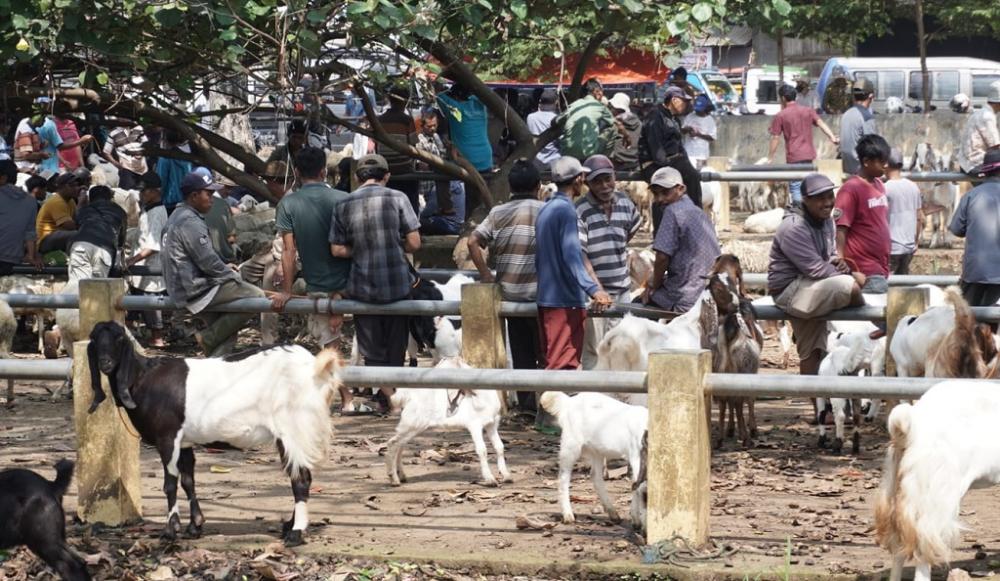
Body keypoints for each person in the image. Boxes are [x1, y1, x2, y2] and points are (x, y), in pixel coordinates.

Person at [269, 147, 358, 411]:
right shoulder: (345, 199)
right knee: (351, 341)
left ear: (296, 172)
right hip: (355, 281)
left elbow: (288, 251)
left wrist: (287, 291)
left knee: (330, 344)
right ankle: (360, 394)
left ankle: (347, 398)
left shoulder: (288, 204)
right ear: (323, 171)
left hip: (320, 285)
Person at [330, 154, 421, 412]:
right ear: (387, 176)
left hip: (363, 286)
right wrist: (393, 246)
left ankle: (387, 399)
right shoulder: (399, 198)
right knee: (396, 346)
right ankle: (392, 399)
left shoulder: (343, 204)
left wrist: (361, 248)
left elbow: (337, 249)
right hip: (397, 285)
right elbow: (414, 243)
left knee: (372, 350)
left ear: (357, 177)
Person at [768, 173, 865, 378]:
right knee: (852, 287)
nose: (828, 203)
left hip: (812, 285)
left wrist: (839, 263)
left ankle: (816, 400)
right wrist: (849, 275)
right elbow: (815, 269)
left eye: (830, 196)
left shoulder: (826, 220)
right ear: (806, 200)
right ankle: (868, 319)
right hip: (791, 290)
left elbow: (828, 256)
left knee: (814, 351)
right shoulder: (794, 227)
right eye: (820, 198)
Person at [468, 159, 545, 411]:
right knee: (545, 353)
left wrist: (485, 274)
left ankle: (526, 407)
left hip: (510, 296)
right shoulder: (546, 211)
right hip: (541, 295)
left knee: (522, 354)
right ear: (538, 186)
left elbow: (472, 241)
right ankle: (546, 408)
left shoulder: (497, 213)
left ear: (510, 187)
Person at [161, 171, 265, 356]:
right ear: (194, 196)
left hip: (183, 286)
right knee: (257, 297)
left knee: (227, 336)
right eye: (208, 194)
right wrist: (231, 274)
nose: (212, 199)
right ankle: (207, 338)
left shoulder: (177, 215)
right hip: (196, 288)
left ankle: (214, 360)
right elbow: (207, 261)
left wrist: (224, 268)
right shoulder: (190, 221)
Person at [534, 156, 612, 371]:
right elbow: (572, 256)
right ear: (578, 179)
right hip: (564, 299)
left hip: (548, 297)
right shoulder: (567, 211)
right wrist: (594, 290)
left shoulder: (546, 208)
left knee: (552, 360)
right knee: (562, 365)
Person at [576, 155, 640, 369]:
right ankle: (593, 388)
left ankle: (618, 387)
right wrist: (597, 289)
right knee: (595, 349)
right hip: (595, 295)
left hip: (622, 290)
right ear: (587, 183)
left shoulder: (626, 204)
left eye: (608, 179)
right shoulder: (580, 210)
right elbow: (581, 254)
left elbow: (629, 231)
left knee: (621, 346)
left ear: (615, 177)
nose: (604, 186)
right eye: (597, 181)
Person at [642, 167, 720, 313]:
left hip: (685, 294)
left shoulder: (672, 211)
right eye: (656, 194)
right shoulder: (699, 212)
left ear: (680, 189)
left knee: (637, 308)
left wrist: (653, 285)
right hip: (708, 291)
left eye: (665, 193)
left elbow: (662, 258)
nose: (660, 199)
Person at [640, 85, 703, 235]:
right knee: (664, 190)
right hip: (655, 164)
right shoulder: (655, 117)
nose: (686, 104)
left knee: (693, 177)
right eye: (684, 101)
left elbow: (680, 147)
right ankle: (661, 234)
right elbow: (656, 148)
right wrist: (668, 170)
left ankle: (694, 222)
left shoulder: (674, 120)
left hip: (674, 162)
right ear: (674, 100)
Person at [835, 134, 891, 294]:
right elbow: (841, 228)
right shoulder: (850, 189)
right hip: (864, 270)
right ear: (866, 161)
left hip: (881, 267)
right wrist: (840, 260)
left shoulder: (879, 184)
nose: (886, 165)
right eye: (881, 161)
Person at [767, 85, 839, 205]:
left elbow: (775, 138)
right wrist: (832, 137)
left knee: (796, 186)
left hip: (794, 156)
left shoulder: (781, 115)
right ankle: (808, 211)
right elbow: (820, 123)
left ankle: (799, 212)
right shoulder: (808, 111)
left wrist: (770, 157)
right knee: (808, 185)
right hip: (808, 155)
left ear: (783, 98)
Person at [950, 149, 1000, 306]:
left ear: (985, 172)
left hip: (975, 272)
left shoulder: (971, 196)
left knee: (969, 315)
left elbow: (956, 229)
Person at [125, 172, 168, 347]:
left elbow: (152, 245)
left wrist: (132, 260)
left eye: (145, 191)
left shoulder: (157, 213)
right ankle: (127, 331)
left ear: (155, 191)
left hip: (150, 266)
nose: (141, 194)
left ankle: (157, 337)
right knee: (134, 300)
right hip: (141, 267)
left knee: (150, 300)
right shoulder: (148, 209)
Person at [67, 185, 126, 283]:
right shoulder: (120, 211)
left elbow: (75, 225)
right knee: (97, 288)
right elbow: (121, 241)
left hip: (81, 245)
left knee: (77, 285)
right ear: (109, 197)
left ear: (90, 198)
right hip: (104, 249)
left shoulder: (84, 209)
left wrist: (80, 203)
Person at [377, 85, 420, 214]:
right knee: (411, 200)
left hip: (385, 167)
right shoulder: (407, 120)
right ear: (405, 102)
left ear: (390, 100)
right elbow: (413, 146)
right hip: (403, 168)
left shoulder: (379, 120)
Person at [557, 78, 621, 161]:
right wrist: (627, 137)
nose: (602, 94)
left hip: (566, 152)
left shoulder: (574, 105)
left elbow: (556, 121)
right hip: (588, 152)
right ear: (596, 91)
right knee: (614, 127)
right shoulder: (599, 106)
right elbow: (617, 124)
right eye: (601, 91)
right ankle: (602, 161)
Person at [884, 148, 925, 275]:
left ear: (885, 164)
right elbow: (919, 217)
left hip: (892, 248)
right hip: (909, 247)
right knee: (903, 282)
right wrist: (916, 241)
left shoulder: (884, 188)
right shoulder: (913, 186)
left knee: (888, 283)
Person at [437, 83, 493, 172]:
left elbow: (438, 95)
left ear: (456, 97)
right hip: (485, 158)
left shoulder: (455, 109)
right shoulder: (481, 107)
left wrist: (442, 88)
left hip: (466, 159)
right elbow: (479, 95)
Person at [0, 159, 41, 275]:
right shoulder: (31, 201)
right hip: (11, 260)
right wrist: (31, 256)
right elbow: (30, 232)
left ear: (3, 178)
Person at [414, 110, 454, 219]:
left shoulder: (437, 137)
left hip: (437, 187)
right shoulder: (419, 141)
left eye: (434, 125)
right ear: (423, 126)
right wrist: (439, 166)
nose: (432, 128)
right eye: (429, 126)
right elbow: (420, 164)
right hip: (424, 189)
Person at [957, 81, 1000, 174]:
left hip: (968, 162)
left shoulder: (982, 112)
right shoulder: (987, 117)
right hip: (975, 164)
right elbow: (995, 146)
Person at [839, 78, 877, 175]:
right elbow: (871, 147)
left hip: (847, 169)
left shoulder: (846, 114)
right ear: (871, 96)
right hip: (862, 171)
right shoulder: (866, 116)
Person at [36, 172, 79, 255]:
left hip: (57, 236)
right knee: (77, 234)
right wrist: (81, 203)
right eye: (72, 185)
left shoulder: (71, 201)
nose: (76, 188)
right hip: (44, 240)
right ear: (62, 187)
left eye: (77, 185)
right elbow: (70, 226)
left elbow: (77, 219)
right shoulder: (57, 201)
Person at [156, 129, 194, 212]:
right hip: (187, 202)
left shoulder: (165, 158)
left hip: (169, 204)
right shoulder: (190, 156)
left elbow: (160, 182)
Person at [102, 124, 148, 190]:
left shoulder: (139, 128)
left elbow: (146, 144)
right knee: (127, 192)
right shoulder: (113, 133)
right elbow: (106, 152)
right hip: (126, 169)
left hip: (143, 168)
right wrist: (115, 163)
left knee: (144, 192)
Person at [527, 90, 560, 170]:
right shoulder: (557, 119)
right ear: (556, 102)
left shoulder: (530, 117)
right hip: (555, 161)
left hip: (536, 161)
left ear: (540, 102)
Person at [682, 95, 718, 169]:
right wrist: (688, 129)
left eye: (700, 110)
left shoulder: (709, 120)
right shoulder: (690, 116)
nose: (697, 111)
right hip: (688, 152)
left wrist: (698, 134)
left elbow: (712, 138)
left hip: (701, 154)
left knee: (700, 172)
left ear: (705, 109)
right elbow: (682, 131)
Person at [609, 92, 641, 172]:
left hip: (616, 163)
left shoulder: (613, 123)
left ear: (615, 108)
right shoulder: (639, 123)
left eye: (611, 107)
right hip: (635, 162)